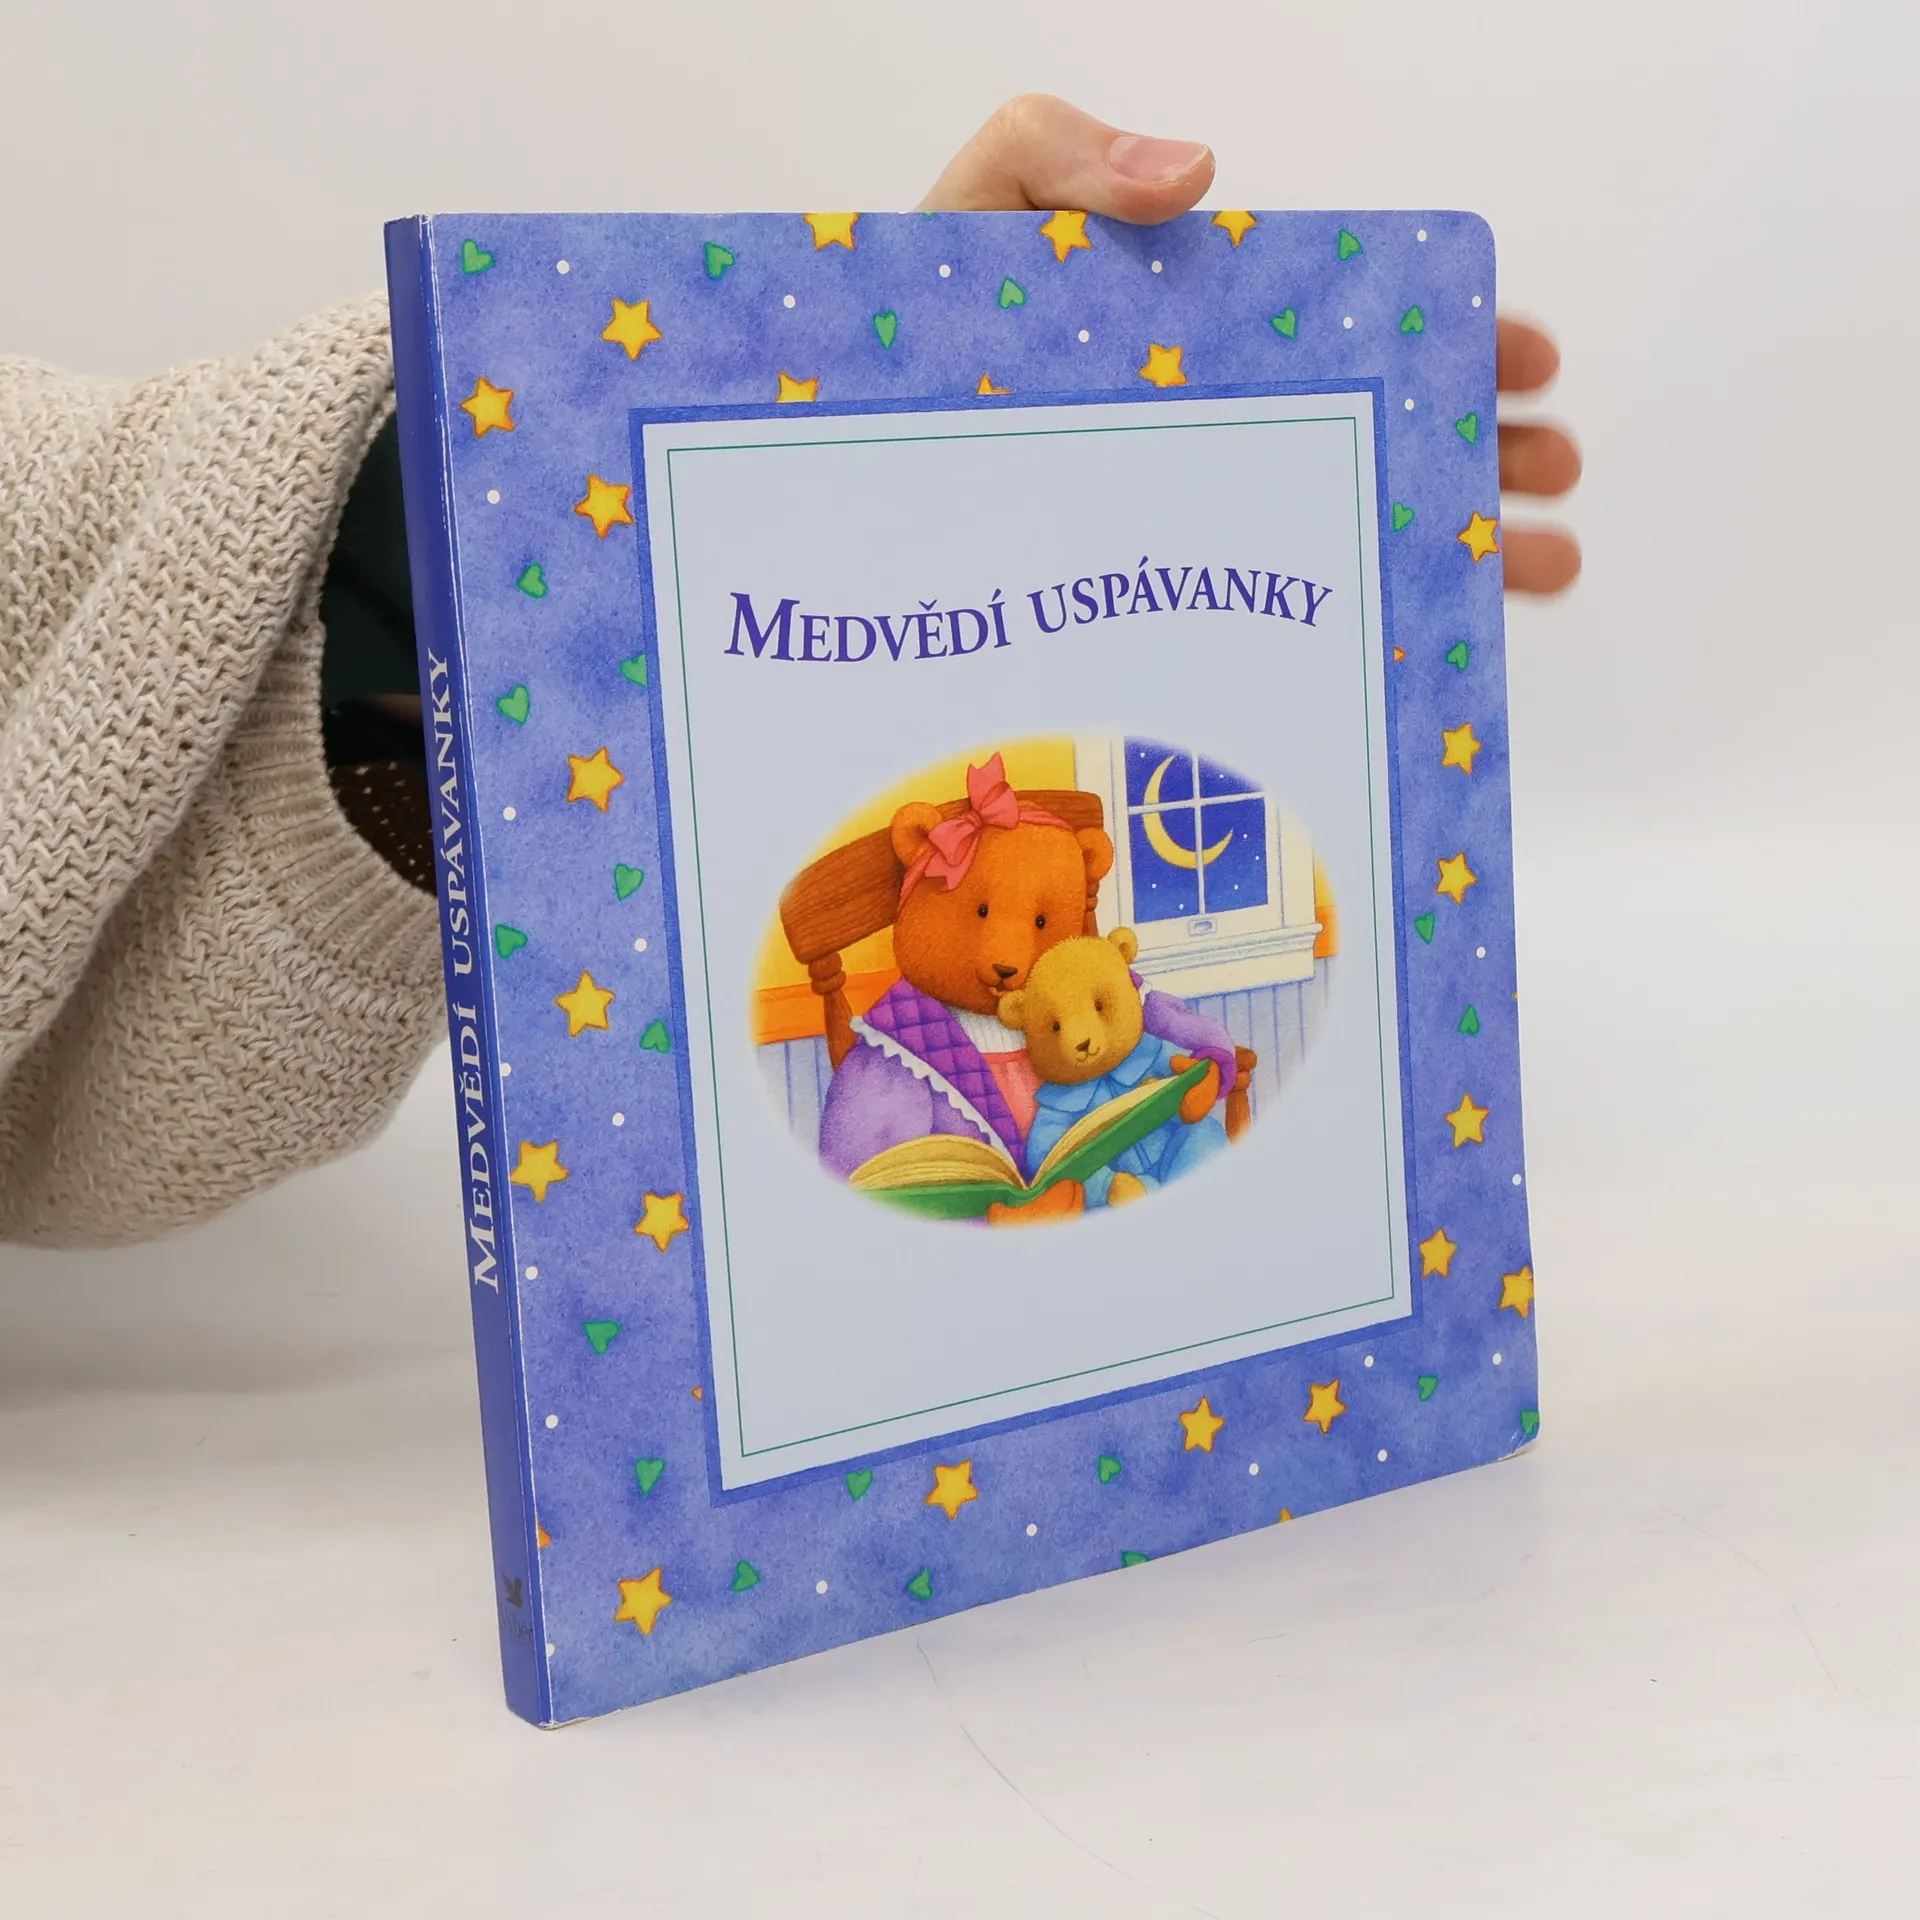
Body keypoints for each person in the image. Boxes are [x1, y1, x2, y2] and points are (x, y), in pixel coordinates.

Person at [0, 95, 1581, 1247]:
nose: (1030, 957)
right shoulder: (888, 1028)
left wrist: (769, 455)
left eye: (1045, 926)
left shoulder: (1085, 976)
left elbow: (71, 565)